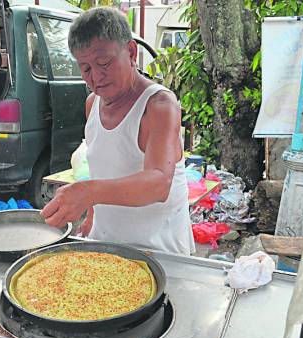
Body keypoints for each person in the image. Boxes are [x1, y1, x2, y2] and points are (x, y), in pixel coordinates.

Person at [41, 7, 194, 255]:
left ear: (131, 52)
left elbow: (159, 183)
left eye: (104, 63)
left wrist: (87, 193)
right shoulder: (93, 104)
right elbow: (99, 165)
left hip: (159, 251)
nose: (96, 77)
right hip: (106, 245)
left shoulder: (159, 106)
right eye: (86, 68)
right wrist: (91, 216)